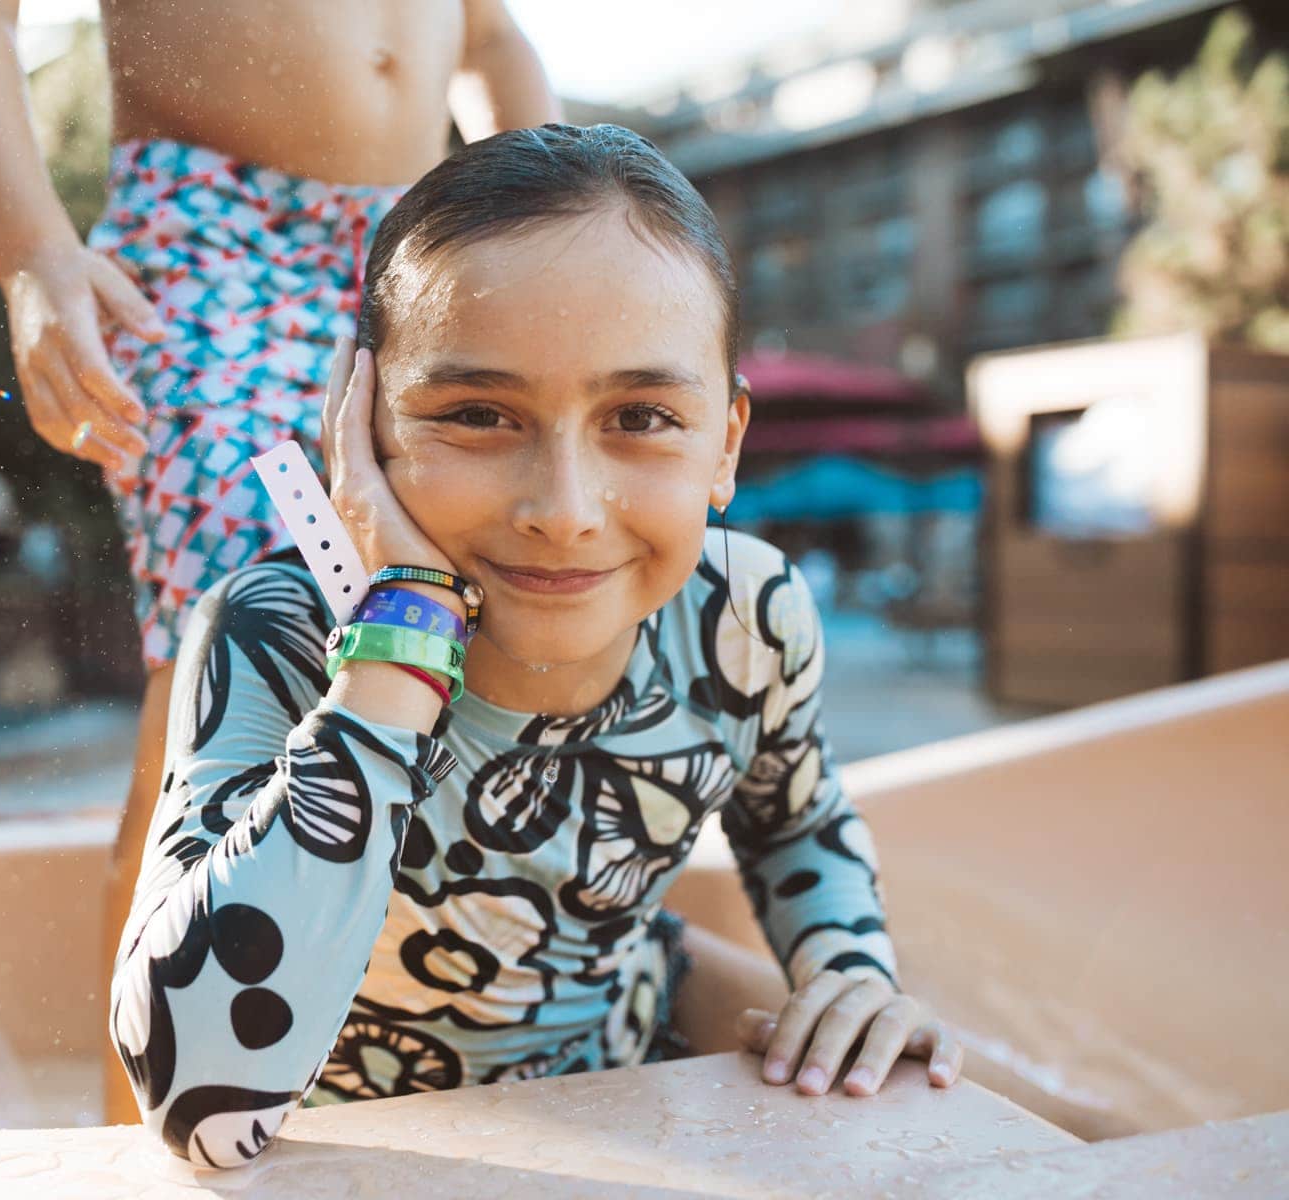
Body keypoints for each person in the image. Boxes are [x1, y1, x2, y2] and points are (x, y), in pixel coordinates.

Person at [109, 124, 964, 1167]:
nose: (564, 511)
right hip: (365, 1159)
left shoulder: (744, 620)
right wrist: (402, 643)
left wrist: (850, 973)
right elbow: (199, 1108)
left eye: (641, 415)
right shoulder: (282, 635)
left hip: (627, 1094)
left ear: (726, 444)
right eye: (478, 414)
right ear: (361, 425)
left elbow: (795, 821)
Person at [0, 0, 557, 1124]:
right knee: (233, 672)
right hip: (215, 239)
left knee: (432, 660)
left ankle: (356, 1096)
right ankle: (139, 1143)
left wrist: (553, 248)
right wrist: (29, 253)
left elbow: (489, 40)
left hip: (419, 252)